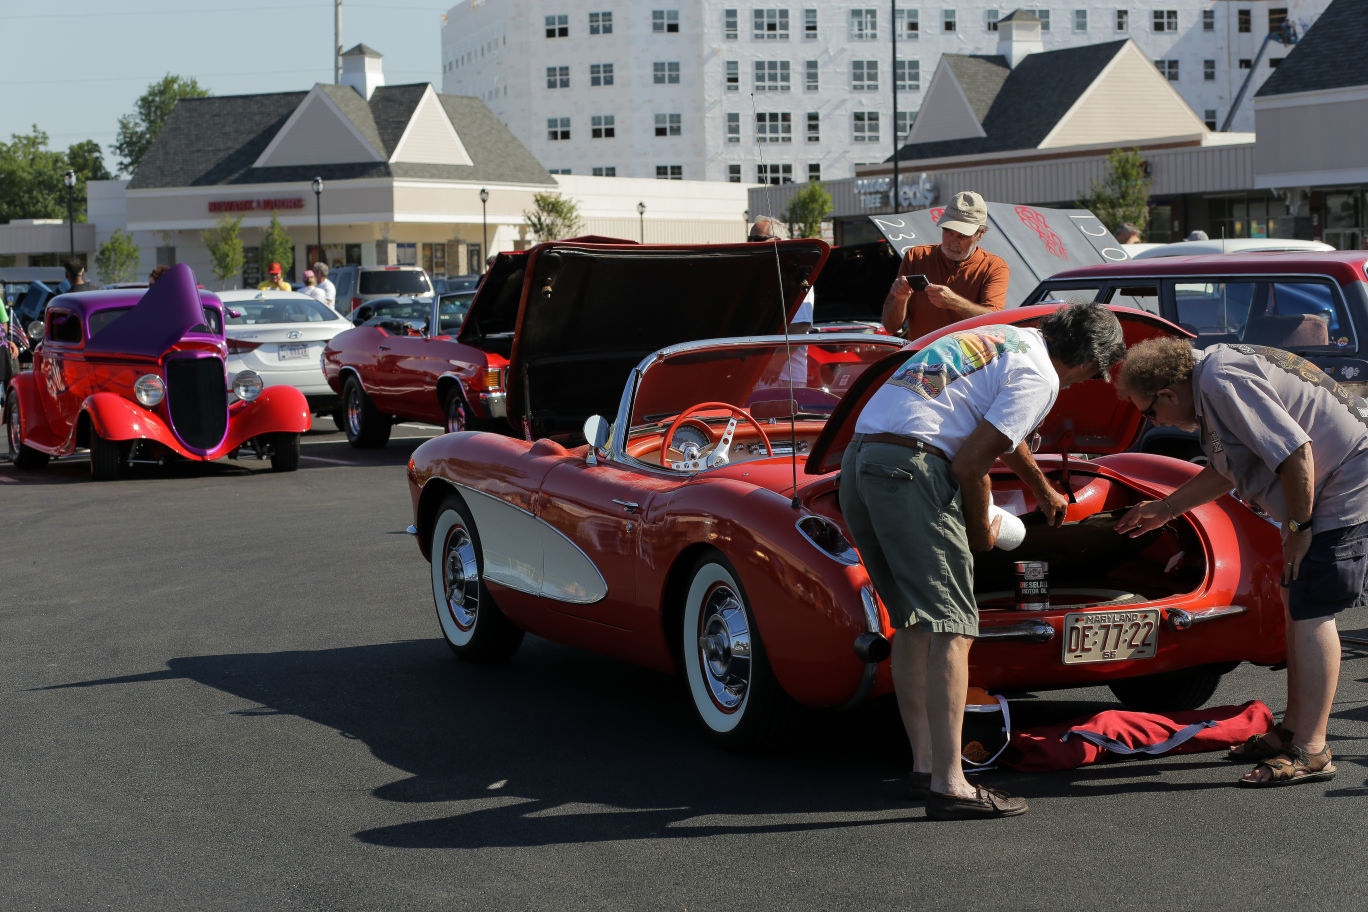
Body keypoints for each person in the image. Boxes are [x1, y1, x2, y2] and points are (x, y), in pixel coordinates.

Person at [841, 301, 1126, 819]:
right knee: (954, 626)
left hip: (862, 462)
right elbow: (972, 460)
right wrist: (980, 534)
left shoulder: (1005, 338)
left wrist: (1041, 489)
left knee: (913, 622)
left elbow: (995, 431)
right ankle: (952, 785)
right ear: (1087, 362)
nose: (1088, 382)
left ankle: (925, 767)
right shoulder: (1042, 376)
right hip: (913, 471)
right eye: (1094, 374)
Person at [1114, 338, 1366, 788]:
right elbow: (1227, 468)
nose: (1152, 421)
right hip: (1332, 478)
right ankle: (1293, 730)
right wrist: (1165, 509)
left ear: (1169, 393)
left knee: (1310, 601)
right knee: (1295, 595)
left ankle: (1311, 750)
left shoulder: (1220, 378)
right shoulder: (1209, 380)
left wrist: (1297, 528)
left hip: (1348, 480)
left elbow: (1295, 453)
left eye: (1148, 412)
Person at [881, 190, 1009, 341]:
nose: (953, 241)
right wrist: (900, 299)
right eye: (948, 231)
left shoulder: (994, 267)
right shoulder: (916, 257)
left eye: (962, 235)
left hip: (968, 362)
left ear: (980, 234)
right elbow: (890, 326)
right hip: (921, 360)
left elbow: (995, 322)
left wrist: (954, 302)